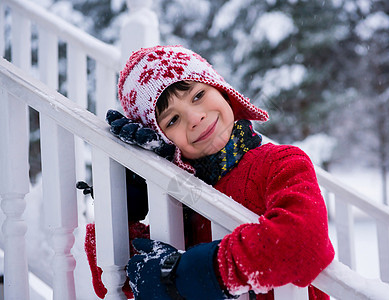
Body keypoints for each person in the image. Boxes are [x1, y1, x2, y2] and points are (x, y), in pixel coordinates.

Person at [100, 45, 335, 300]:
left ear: (221, 89)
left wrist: (193, 274)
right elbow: (108, 277)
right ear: (162, 139)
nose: (195, 118)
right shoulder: (180, 196)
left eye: (198, 95)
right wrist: (129, 201)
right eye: (172, 120)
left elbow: (303, 244)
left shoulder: (281, 162)